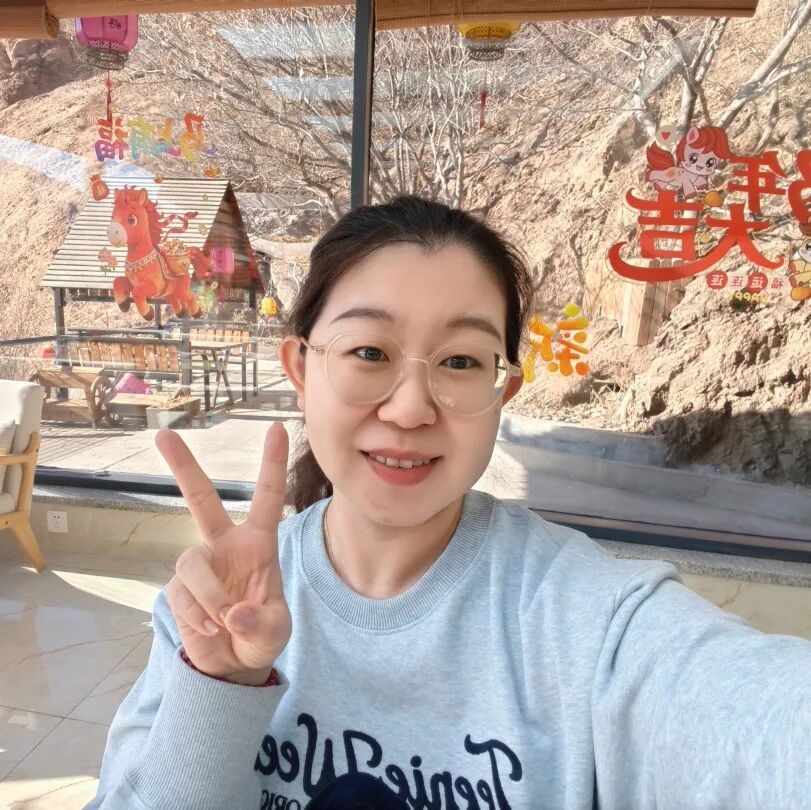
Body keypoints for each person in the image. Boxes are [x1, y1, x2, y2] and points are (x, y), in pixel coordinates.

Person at [87, 196, 811, 810]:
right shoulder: (211, 608)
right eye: (370, 352)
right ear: (300, 369)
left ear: (503, 390)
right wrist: (221, 683)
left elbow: (762, 722)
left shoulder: (590, 624)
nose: (410, 409)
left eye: (460, 361)